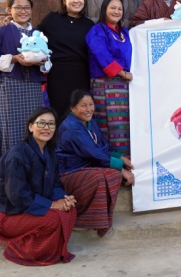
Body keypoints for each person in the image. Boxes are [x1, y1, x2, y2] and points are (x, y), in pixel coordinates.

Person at [0, 107, 77, 266]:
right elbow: (18, 195)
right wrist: (52, 205)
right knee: (53, 219)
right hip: (10, 215)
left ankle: (50, 250)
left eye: (51, 124)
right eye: (42, 123)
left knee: (69, 210)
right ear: (31, 127)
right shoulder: (17, 154)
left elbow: (55, 184)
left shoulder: (50, 154)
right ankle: (21, 250)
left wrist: (63, 199)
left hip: (29, 208)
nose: (47, 127)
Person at [57, 90, 134, 237]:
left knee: (113, 175)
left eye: (91, 105)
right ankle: (80, 218)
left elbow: (102, 146)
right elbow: (93, 152)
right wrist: (121, 168)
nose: (88, 109)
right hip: (68, 171)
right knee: (99, 177)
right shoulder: (71, 127)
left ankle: (100, 220)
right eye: (83, 106)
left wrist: (120, 157)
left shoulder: (89, 121)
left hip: (87, 167)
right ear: (73, 108)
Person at [0, 0, 51, 157]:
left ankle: (33, 172)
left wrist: (43, 62)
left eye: (26, 8)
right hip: (9, 87)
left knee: (35, 129)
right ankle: (12, 174)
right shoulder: (2, 32)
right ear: (9, 10)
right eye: (18, 7)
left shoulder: (38, 34)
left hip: (33, 88)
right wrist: (14, 58)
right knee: (11, 131)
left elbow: (48, 61)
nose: (23, 11)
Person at [37, 0, 94, 122]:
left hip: (81, 74)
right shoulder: (51, 19)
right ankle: (58, 143)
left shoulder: (89, 24)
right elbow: (36, 38)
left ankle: (78, 143)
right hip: (57, 74)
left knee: (80, 112)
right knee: (59, 112)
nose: (77, 0)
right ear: (63, 0)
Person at [85, 0, 133, 156]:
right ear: (104, 9)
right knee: (108, 126)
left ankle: (127, 163)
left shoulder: (125, 32)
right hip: (104, 83)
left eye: (120, 9)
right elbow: (101, 54)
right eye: (113, 8)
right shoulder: (96, 30)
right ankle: (111, 165)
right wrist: (121, 72)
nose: (116, 11)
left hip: (125, 85)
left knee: (124, 125)